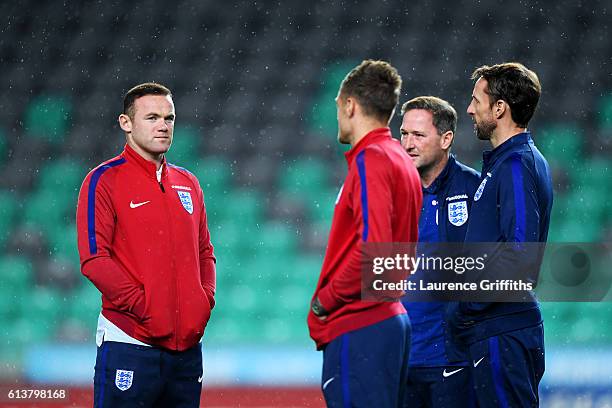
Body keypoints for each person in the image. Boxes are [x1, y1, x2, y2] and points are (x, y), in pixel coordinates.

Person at [76, 82, 216, 408]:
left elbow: (204, 252)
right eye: (152, 117)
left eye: (169, 118)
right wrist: (146, 307)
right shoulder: (103, 180)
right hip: (130, 342)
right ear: (126, 123)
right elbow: (94, 259)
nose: (163, 125)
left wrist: (203, 300)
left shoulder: (188, 183)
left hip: (187, 352)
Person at [307, 60, 422, 408]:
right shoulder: (399, 158)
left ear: (350, 105)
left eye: (338, 107)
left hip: (360, 324)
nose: (338, 117)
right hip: (386, 320)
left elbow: (376, 250)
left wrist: (323, 301)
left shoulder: (371, 158)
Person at [449, 62, 553, 407]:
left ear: (499, 107)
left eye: (476, 100)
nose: (469, 109)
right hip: (494, 331)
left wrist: (470, 300)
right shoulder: (506, 163)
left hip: (501, 331)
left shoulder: (515, 164)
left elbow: (520, 255)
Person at [399, 96, 480, 408]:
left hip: (455, 358)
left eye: (418, 135)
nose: (408, 144)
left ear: (446, 139)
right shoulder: (391, 190)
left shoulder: (475, 189)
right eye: (404, 134)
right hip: (400, 356)